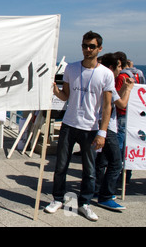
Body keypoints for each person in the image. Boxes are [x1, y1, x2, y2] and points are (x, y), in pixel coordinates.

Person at [45, 31, 114, 221]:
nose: (87, 49)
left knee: (89, 171)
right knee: (60, 166)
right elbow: (65, 96)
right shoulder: (71, 69)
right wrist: (54, 89)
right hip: (69, 124)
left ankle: (84, 203)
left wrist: (102, 132)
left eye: (92, 46)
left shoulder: (106, 74)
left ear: (99, 49)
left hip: (91, 128)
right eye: (85, 45)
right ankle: (58, 198)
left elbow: (107, 106)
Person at [95, 53, 134, 211]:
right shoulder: (108, 82)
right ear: (111, 68)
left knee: (101, 161)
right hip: (107, 127)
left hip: (96, 124)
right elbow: (122, 104)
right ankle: (105, 196)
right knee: (116, 163)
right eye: (119, 67)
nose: (121, 69)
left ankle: (97, 189)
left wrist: (124, 87)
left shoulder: (99, 79)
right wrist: (129, 89)